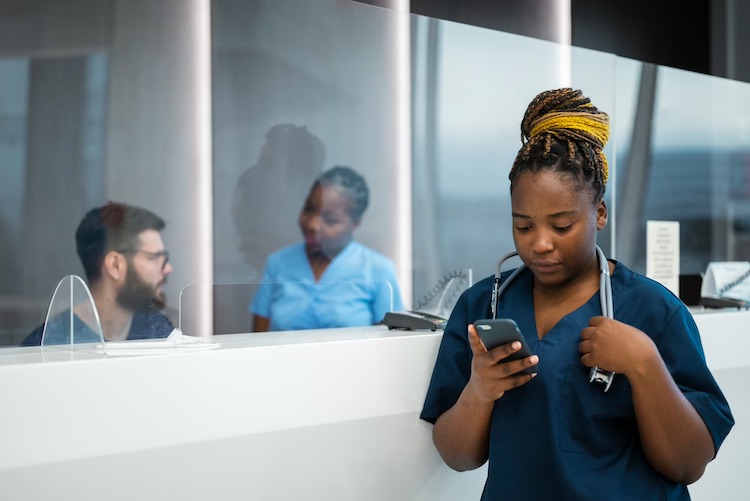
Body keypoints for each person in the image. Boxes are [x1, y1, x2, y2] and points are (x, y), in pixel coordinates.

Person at [420, 88, 734, 500]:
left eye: (562, 225)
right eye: (524, 226)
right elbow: (457, 456)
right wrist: (479, 391)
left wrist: (644, 365)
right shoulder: (483, 306)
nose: (540, 244)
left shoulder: (654, 310)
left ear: (599, 213)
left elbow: (687, 464)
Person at [250, 165, 404, 331]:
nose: (313, 225)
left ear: (354, 224)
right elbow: (258, 339)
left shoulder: (377, 270)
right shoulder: (278, 263)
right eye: (309, 210)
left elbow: (390, 344)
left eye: (330, 219)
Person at [22, 202, 175, 345]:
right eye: (154, 257)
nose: (168, 268)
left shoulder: (158, 331)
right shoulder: (48, 345)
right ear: (115, 266)